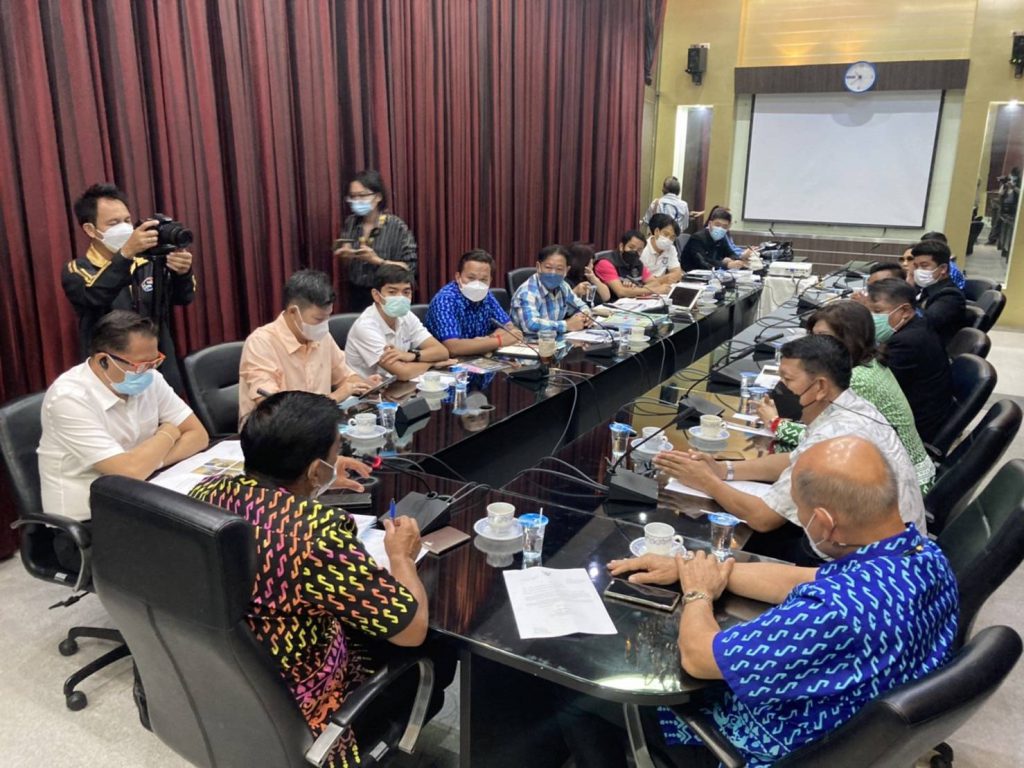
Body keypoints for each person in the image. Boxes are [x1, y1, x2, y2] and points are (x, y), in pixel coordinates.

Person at [569, 436, 956, 768]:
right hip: (848, 729)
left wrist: (698, 593)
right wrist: (693, 568)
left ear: (824, 523)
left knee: (584, 686)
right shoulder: (923, 556)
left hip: (754, 744)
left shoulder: (832, 613)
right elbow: (803, 578)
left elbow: (699, 658)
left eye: (800, 511)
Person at [190, 391, 446, 768]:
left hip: (225, 683)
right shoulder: (317, 536)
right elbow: (412, 631)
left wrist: (307, 489)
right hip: (309, 710)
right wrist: (400, 557)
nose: (338, 458)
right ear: (314, 470)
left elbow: (269, 521)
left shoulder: (207, 492)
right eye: (335, 452)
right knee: (437, 647)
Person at [654, 335, 927, 564]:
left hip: (866, 564)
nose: (778, 389)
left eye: (787, 380)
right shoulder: (850, 406)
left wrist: (707, 482)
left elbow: (763, 518)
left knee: (725, 546)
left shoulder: (835, 435)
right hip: (886, 546)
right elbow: (795, 458)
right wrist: (724, 470)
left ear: (820, 387)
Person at [37, 310, 208, 549]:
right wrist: (169, 431)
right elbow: (129, 472)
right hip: (89, 524)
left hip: (145, 497)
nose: (150, 371)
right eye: (140, 365)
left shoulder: (150, 378)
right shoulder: (68, 399)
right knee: (195, 549)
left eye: (155, 361)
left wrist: (147, 463)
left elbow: (198, 435)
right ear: (103, 360)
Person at [758, 300, 935, 492]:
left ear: (850, 338)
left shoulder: (858, 378)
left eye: (824, 337)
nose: (815, 343)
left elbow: (824, 436)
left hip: (904, 484)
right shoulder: (868, 361)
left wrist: (775, 423)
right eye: (812, 336)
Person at [66, 183, 196, 394]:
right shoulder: (78, 270)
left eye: (127, 220)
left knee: (172, 413)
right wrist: (125, 254)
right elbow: (94, 295)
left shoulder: (147, 263)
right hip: (114, 371)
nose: (125, 228)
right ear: (90, 229)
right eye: (114, 223)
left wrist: (183, 273)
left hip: (160, 363)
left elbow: (183, 298)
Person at [238, 269, 379, 425]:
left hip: (317, 427)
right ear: (293, 312)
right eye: (318, 319)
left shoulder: (321, 336)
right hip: (274, 432)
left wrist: (364, 386)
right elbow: (273, 409)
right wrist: (335, 397)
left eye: (328, 317)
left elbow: (345, 376)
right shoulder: (261, 343)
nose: (324, 325)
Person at [866, 278, 953, 446]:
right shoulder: (916, 326)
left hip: (913, 431)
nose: (871, 318)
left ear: (905, 311)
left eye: (877, 311)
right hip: (922, 412)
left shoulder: (908, 342)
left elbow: (874, 388)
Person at [344, 264, 455, 381]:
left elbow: (442, 352)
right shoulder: (365, 327)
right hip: (368, 389)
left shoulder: (406, 315)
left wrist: (412, 356)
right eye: (392, 292)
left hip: (397, 386)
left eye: (406, 292)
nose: (400, 298)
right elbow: (403, 373)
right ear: (376, 295)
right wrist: (432, 363)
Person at [333, 169, 417, 311]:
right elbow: (347, 262)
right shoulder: (351, 222)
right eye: (353, 196)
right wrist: (346, 255)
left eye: (362, 195)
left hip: (387, 295)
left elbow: (409, 268)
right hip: (356, 293)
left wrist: (377, 261)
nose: (357, 200)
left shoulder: (397, 226)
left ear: (378, 197)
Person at [425, 249, 523, 356]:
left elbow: (509, 327)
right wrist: (499, 341)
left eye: (483, 280)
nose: (477, 284)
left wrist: (489, 339)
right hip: (450, 363)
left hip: (479, 359)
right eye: (471, 278)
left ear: (490, 280)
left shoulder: (487, 296)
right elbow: (453, 347)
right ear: (458, 277)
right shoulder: (445, 300)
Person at [511, 245, 593, 334]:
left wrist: (585, 316)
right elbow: (530, 325)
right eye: (548, 267)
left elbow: (581, 306)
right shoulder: (527, 292)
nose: (553, 273)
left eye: (559, 269)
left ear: (566, 270)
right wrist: (566, 325)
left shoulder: (563, 286)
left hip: (555, 339)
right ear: (538, 267)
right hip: (528, 341)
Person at [908, 239, 966, 345]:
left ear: (943, 268)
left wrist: (906, 295)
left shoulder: (950, 296)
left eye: (924, 266)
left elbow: (924, 324)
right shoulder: (924, 289)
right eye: (916, 266)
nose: (918, 271)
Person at [593, 230, 658, 299]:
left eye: (639, 250)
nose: (634, 252)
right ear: (621, 246)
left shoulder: (638, 264)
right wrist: (652, 290)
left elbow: (655, 283)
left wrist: (636, 289)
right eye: (631, 247)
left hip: (630, 302)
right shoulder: (605, 263)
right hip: (609, 303)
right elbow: (621, 292)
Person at [681, 207, 747, 271]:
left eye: (724, 226)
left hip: (714, 273)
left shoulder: (721, 239)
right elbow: (703, 262)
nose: (720, 229)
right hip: (694, 274)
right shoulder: (697, 238)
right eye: (717, 225)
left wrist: (733, 260)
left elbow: (731, 253)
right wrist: (725, 264)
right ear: (710, 224)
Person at [640, 213, 684, 286]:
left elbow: (677, 273)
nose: (668, 239)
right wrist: (663, 279)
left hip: (662, 287)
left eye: (672, 237)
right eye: (666, 234)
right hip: (644, 288)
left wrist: (659, 281)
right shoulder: (642, 248)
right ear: (656, 231)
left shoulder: (671, 249)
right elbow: (640, 280)